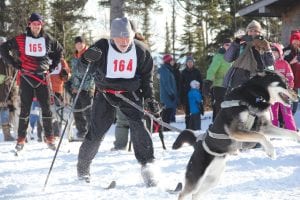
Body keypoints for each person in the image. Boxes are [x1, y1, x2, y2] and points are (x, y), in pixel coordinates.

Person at [76, 17, 160, 187]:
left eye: (127, 37)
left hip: (130, 92)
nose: (124, 41)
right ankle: (83, 168)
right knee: (97, 130)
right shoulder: (101, 47)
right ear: (113, 37)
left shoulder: (141, 51)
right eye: (119, 37)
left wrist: (150, 98)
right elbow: (81, 69)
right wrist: (86, 59)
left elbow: (147, 78)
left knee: (139, 124)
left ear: (133, 35)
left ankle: (148, 167)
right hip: (105, 92)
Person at [0, 13, 63, 151]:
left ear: (42, 25)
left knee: (46, 109)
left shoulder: (47, 39)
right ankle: (21, 139)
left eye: (39, 24)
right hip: (27, 77)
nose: (36, 27)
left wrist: (52, 66)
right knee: (25, 110)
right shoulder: (21, 39)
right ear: (30, 24)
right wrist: (14, 63)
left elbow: (59, 51)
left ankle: (50, 138)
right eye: (34, 24)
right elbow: (3, 48)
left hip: (42, 78)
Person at [223, 20, 274, 90]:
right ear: (247, 33)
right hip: (239, 78)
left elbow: (270, 62)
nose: (253, 33)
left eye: (256, 31)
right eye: (251, 31)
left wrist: (268, 48)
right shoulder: (241, 45)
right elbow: (228, 58)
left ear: (259, 33)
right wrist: (236, 42)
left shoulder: (264, 45)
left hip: (257, 78)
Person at [69, 36, 94, 139]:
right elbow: (74, 74)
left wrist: (85, 87)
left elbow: (92, 74)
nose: (79, 45)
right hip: (76, 88)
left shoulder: (90, 55)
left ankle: (92, 132)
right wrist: (73, 86)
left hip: (87, 88)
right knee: (77, 111)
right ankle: (81, 131)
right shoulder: (75, 57)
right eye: (77, 43)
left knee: (88, 111)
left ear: (84, 44)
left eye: (81, 43)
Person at [202, 38, 232, 121]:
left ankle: (225, 126)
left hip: (230, 86)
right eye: (226, 45)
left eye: (230, 45)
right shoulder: (219, 56)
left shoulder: (234, 56)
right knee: (220, 107)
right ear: (223, 46)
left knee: (229, 107)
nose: (228, 47)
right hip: (219, 86)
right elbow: (212, 70)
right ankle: (216, 125)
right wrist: (208, 82)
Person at [271, 43, 297, 131]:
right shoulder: (268, 65)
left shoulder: (285, 63)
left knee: (287, 113)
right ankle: (273, 132)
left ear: (280, 53)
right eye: (272, 52)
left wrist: (288, 90)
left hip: (284, 93)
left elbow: (290, 78)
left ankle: (292, 132)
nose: (274, 54)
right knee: (272, 114)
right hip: (272, 94)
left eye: (276, 52)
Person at [0, 36, 16, 141]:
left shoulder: (10, 58)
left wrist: (13, 81)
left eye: (3, 44)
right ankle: (6, 134)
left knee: (11, 110)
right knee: (4, 109)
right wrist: (4, 78)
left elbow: (15, 72)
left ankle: (9, 132)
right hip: (1, 89)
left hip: (10, 88)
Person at [180, 56, 203, 128]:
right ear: (186, 63)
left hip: (196, 95)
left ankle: (196, 127)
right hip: (187, 95)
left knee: (196, 112)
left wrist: (201, 93)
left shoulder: (197, 71)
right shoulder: (183, 72)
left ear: (193, 63)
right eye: (188, 62)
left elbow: (201, 82)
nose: (190, 63)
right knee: (188, 112)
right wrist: (181, 96)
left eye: (191, 62)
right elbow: (180, 84)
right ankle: (188, 127)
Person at [158, 54, 177, 128]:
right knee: (167, 112)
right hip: (167, 96)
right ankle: (165, 128)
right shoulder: (165, 70)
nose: (173, 62)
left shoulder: (168, 69)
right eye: (171, 60)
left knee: (168, 112)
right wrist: (171, 93)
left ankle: (166, 128)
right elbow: (166, 83)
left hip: (168, 95)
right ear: (168, 61)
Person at [283, 30, 300, 114]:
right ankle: (286, 114)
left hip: (297, 77)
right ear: (291, 40)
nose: (296, 42)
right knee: (287, 95)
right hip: (288, 77)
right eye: (295, 40)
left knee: (295, 96)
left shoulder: (299, 50)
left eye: (298, 41)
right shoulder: (286, 50)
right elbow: (281, 62)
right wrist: (290, 62)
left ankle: (292, 113)